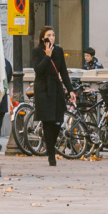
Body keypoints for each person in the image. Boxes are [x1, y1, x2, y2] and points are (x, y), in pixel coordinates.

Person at [31, 27, 74, 167]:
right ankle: (51, 155)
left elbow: (64, 72)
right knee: (47, 122)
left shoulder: (59, 51)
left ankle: (50, 145)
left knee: (57, 121)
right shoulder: (37, 51)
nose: (51, 37)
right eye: (48, 35)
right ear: (43, 38)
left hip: (56, 88)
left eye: (53, 35)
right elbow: (38, 69)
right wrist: (47, 55)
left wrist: (71, 90)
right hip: (43, 89)